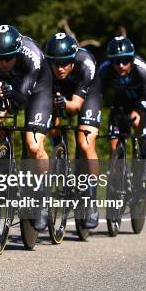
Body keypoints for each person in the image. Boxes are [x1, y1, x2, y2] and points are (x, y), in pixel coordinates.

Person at [0, 25, 53, 231]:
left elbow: (22, 100)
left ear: (16, 54)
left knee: (33, 145)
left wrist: (8, 91)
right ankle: (4, 162)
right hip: (5, 88)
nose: (3, 63)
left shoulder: (30, 55)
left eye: (8, 58)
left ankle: (41, 197)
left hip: (36, 89)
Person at [45, 32, 101, 229]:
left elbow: (76, 106)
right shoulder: (46, 65)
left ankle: (92, 201)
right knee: (51, 126)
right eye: (55, 63)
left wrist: (63, 103)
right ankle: (59, 154)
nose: (59, 68)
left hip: (87, 95)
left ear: (72, 61)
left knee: (85, 143)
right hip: (61, 92)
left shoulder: (85, 64)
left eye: (65, 63)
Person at [99, 36, 146, 181]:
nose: (121, 65)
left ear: (132, 59)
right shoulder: (105, 70)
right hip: (120, 102)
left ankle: (144, 154)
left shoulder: (141, 68)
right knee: (113, 144)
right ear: (110, 61)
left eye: (125, 60)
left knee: (137, 122)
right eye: (116, 61)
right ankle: (118, 181)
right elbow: (97, 95)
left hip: (141, 100)